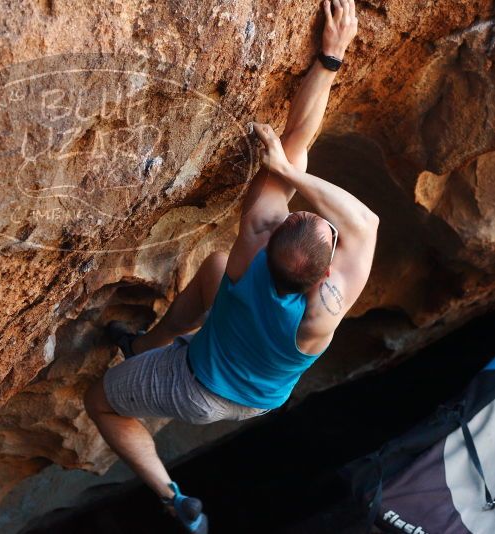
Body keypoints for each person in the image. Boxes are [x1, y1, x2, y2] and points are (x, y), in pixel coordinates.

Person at [84, 1, 375, 532]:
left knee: (101, 401)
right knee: (214, 267)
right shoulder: (322, 316)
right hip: (259, 397)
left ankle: (173, 497)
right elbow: (363, 223)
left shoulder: (257, 241)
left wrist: (286, 172)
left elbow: (296, 151)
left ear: (270, 242)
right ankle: (145, 344)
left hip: (197, 387)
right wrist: (329, 58)